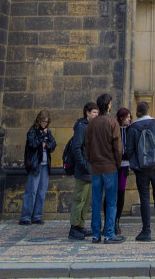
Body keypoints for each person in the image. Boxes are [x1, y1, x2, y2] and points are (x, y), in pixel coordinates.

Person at [85, 91, 124, 244]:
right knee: (111, 202)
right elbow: (118, 147)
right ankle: (109, 233)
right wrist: (118, 163)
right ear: (108, 106)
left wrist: (92, 160)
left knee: (96, 202)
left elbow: (87, 145)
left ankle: (96, 234)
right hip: (109, 167)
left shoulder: (92, 124)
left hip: (96, 167)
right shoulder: (112, 122)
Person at [128, 99, 155, 242]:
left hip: (141, 169)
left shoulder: (133, 127)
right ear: (148, 111)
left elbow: (129, 150)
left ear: (137, 112)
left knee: (144, 198)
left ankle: (146, 231)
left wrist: (135, 166)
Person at [19, 109, 56, 226]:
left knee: (42, 191)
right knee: (32, 191)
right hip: (35, 164)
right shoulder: (32, 131)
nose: (45, 124)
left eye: (47, 122)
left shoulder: (47, 132)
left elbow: (53, 144)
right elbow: (32, 144)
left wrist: (47, 144)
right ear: (39, 120)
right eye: (43, 121)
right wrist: (41, 137)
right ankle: (25, 217)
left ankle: (37, 216)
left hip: (45, 165)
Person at [67, 101, 97, 240]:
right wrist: (84, 165)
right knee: (79, 199)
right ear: (87, 113)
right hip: (83, 169)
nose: (96, 115)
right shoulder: (81, 126)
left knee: (85, 200)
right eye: (94, 112)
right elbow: (76, 148)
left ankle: (80, 225)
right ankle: (74, 227)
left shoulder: (90, 126)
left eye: (97, 112)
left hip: (89, 169)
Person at [116, 106, 132, 219]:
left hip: (125, 165)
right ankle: (109, 221)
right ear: (121, 118)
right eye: (127, 117)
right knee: (111, 194)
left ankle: (117, 219)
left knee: (121, 193)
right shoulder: (115, 128)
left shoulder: (131, 130)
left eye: (130, 117)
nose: (129, 119)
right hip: (114, 166)